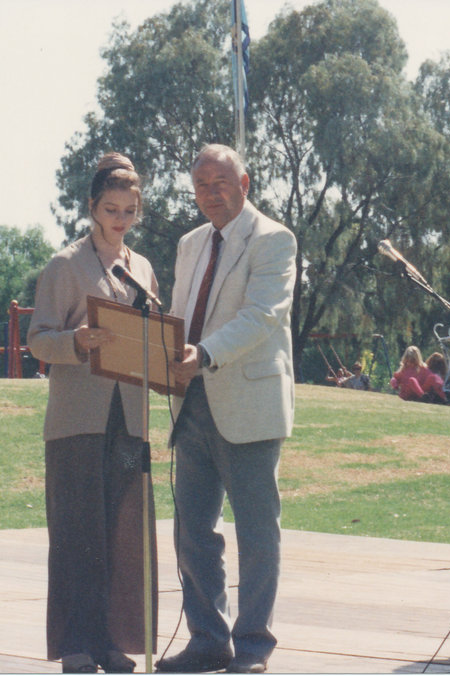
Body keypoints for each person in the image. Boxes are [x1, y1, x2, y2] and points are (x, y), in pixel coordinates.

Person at [160, 144, 296, 675]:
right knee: (193, 531)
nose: (210, 193)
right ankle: (207, 640)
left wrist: (205, 354)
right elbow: (177, 316)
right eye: (200, 185)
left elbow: (263, 315)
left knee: (257, 531)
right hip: (189, 402)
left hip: (248, 401)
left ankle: (254, 646)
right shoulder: (189, 243)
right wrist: (160, 358)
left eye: (220, 182)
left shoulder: (274, 239)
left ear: (246, 182)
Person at [27, 152, 158, 674]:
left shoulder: (143, 267)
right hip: (77, 419)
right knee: (78, 533)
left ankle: (113, 642)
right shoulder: (64, 265)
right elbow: (38, 340)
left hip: (130, 419)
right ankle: (75, 645)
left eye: (129, 210)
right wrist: (77, 342)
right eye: (110, 208)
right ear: (91, 207)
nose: (119, 219)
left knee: (123, 535)